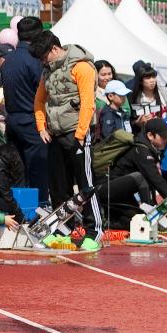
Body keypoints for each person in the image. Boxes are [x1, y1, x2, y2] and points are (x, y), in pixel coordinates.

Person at [30, 30, 102, 239]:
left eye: (45, 56)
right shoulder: (47, 71)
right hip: (55, 134)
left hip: (77, 133)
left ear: (54, 48)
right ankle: (63, 229)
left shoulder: (82, 67)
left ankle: (94, 231)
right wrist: (42, 127)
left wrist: (80, 135)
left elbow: (88, 103)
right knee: (58, 187)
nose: (43, 61)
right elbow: (39, 100)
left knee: (86, 184)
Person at [1, 16, 49, 202]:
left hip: (12, 120)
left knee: (17, 173)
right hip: (33, 121)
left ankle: (20, 212)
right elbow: (44, 91)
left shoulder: (8, 60)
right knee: (38, 174)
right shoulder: (35, 60)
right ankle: (40, 213)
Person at [128, 63, 166, 129]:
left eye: (153, 77)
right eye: (148, 78)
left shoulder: (164, 93)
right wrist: (138, 122)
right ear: (141, 81)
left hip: (163, 133)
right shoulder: (135, 98)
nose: (152, 80)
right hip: (144, 135)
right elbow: (131, 121)